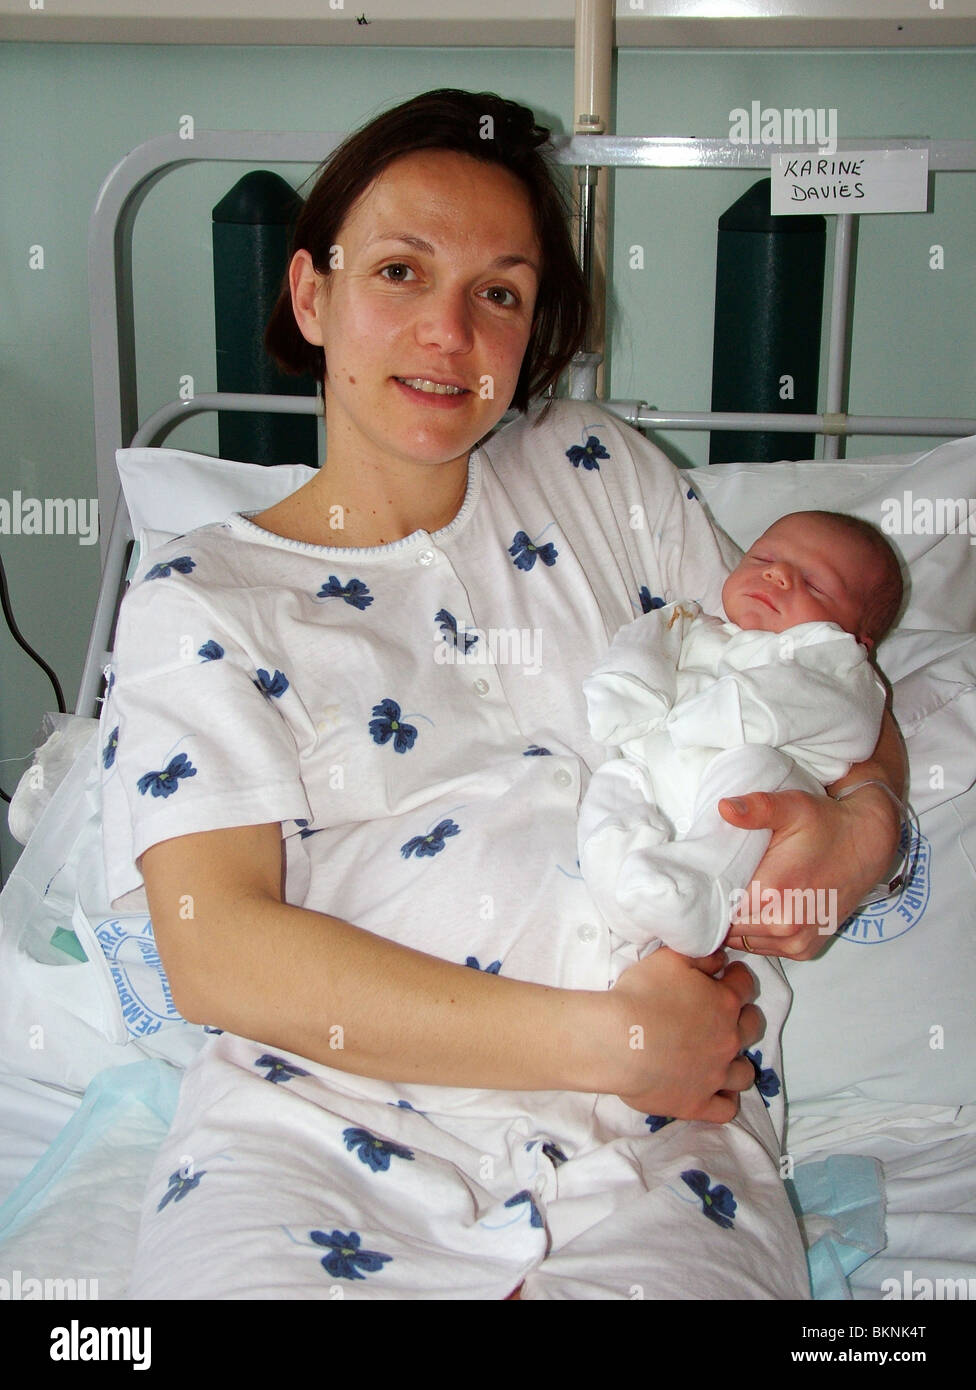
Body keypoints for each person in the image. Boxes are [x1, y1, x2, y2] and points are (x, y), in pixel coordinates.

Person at [100, 89, 906, 1300]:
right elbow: (218, 952)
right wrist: (612, 1039)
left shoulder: (598, 476)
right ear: (312, 296)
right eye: (400, 271)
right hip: (319, 1127)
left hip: (661, 1136)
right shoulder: (203, 597)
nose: (447, 331)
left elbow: (822, 672)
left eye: (499, 293)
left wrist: (863, 827)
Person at [578, 511, 904, 961]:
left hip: (749, 802)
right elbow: (642, 645)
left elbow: (834, 711)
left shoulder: (837, 663)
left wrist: (729, 712)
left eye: (813, 584)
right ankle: (628, 901)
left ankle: (702, 885)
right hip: (655, 780)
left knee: (756, 769)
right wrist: (626, 691)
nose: (776, 573)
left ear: (857, 639)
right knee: (613, 785)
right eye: (763, 557)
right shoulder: (692, 625)